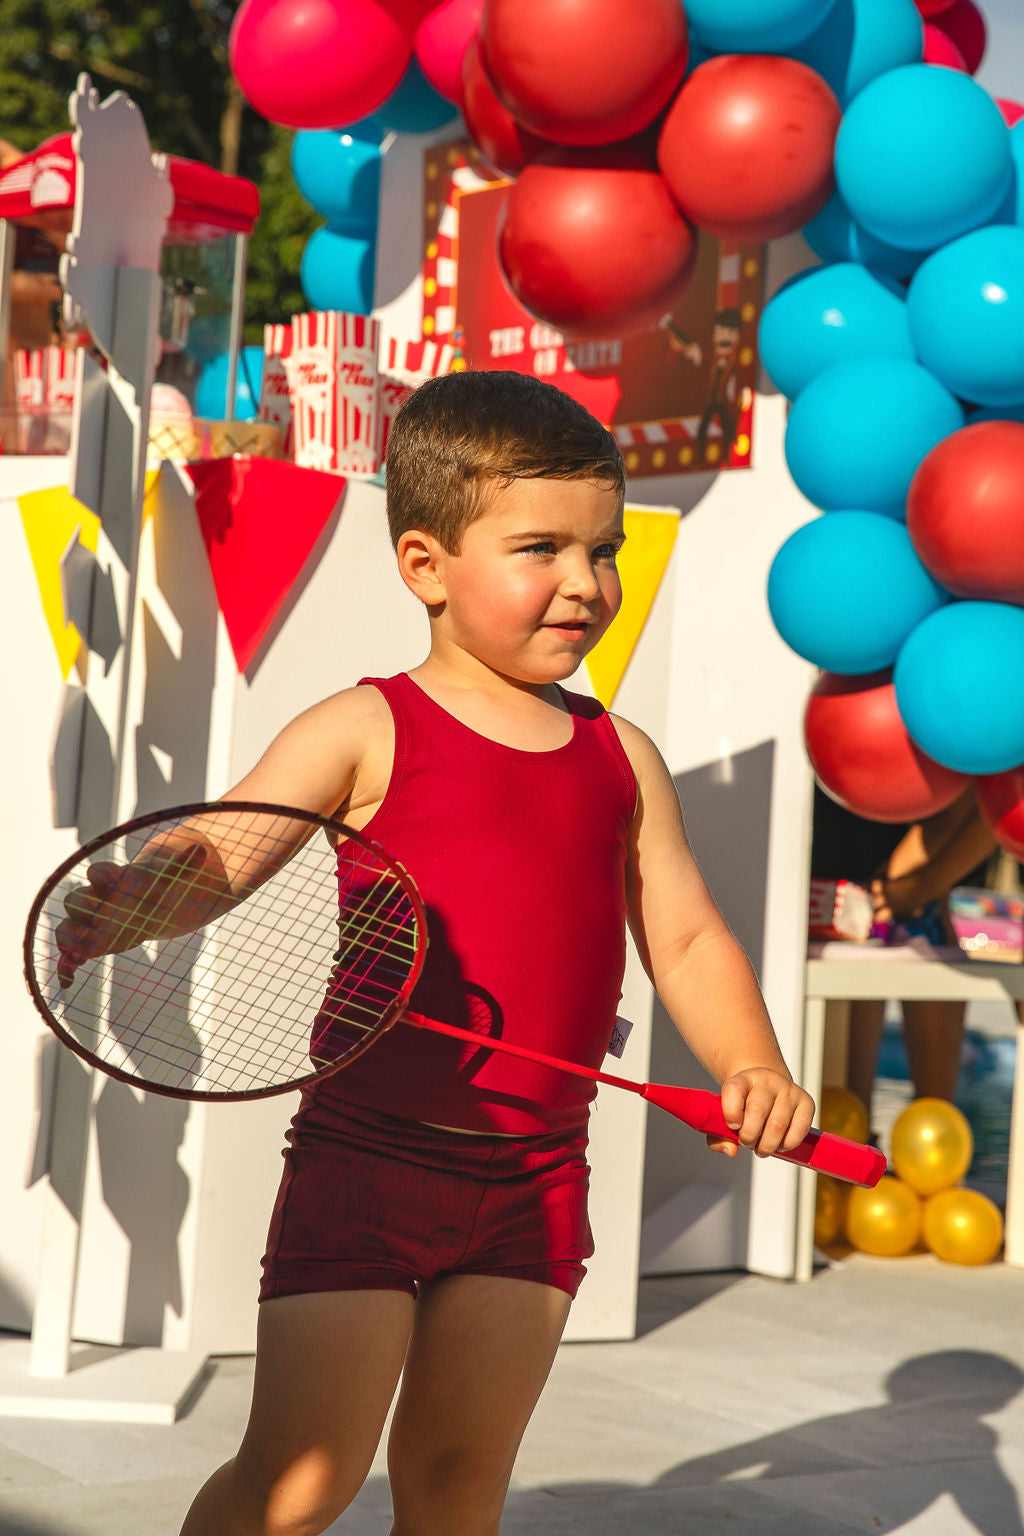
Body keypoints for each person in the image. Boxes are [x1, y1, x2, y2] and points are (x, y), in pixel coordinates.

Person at [64, 370, 815, 1536]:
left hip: (537, 1182)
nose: (584, 582)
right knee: (299, 1480)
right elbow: (224, 851)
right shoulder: (366, 726)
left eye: (602, 550)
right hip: (365, 1168)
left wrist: (751, 1062)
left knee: (461, 1482)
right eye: (540, 550)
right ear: (425, 565)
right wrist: (141, 901)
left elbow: (684, 933)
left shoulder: (620, 756)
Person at [811, 784, 998, 1121]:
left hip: (896, 901)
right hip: (855, 903)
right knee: (845, 1111)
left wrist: (907, 889)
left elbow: (981, 804)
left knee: (931, 1112)